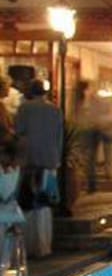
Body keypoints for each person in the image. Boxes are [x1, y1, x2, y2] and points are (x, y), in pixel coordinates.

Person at [13, 80, 63, 208]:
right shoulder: (55, 110)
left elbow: (19, 130)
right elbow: (59, 135)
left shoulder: (24, 108)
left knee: (28, 190)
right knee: (45, 192)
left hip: (30, 155)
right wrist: (57, 156)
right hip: (50, 155)